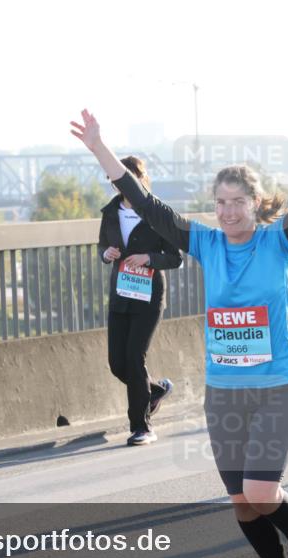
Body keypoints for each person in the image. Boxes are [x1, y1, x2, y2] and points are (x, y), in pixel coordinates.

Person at [71, 91, 288, 558]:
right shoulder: (206, 243)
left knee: (261, 489)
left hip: (277, 385)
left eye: (239, 202)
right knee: (242, 503)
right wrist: (100, 148)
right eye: (221, 203)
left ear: (255, 204)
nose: (229, 211)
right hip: (226, 392)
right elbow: (146, 204)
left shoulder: (279, 241)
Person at [97, 156, 183, 445]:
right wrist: (106, 253)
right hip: (121, 294)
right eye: (119, 177)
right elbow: (102, 245)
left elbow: (175, 257)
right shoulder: (110, 212)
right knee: (117, 363)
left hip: (148, 296)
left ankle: (142, 427)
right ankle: (155, 391)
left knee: (135, 357)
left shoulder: (156, 212)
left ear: (141, 178)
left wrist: (149, 258)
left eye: (130, 176)